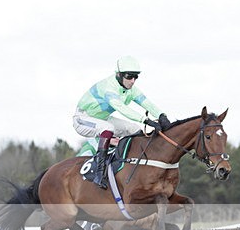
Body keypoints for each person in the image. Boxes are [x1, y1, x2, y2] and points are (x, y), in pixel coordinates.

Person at [73, 56, 170, 188]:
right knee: (108, 128)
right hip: (82, 119)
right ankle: (99, 174)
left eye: (136, 77)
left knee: (133, 129)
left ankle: (133, 165)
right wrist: (146, 120)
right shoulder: (109, 87)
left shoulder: (130, 89)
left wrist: (161, 115)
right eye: (129, 76)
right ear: (119, 75)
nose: (133, 81)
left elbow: (146, 103)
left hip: (102, 118)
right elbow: (122, 108)